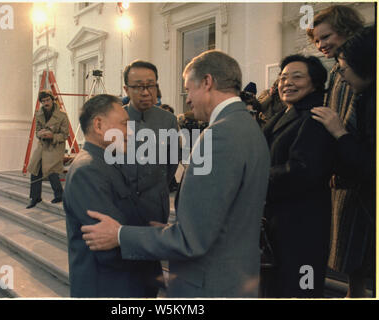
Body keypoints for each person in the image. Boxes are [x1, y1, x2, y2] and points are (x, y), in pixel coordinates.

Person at [81, 50, 271, 298]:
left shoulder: (218, 136)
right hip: (232, 277)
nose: (188, 99)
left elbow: (191, 240)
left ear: (207, 82)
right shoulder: (247, 126)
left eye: (188, 89)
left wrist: (119, 234)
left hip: (208, 285)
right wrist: (183, 225)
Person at [63, 94, 162, 297]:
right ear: (99, 125)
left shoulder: (106, 163)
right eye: (124, 124)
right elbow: (108, 247)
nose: (130, 132)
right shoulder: (88, 171)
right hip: (111, 289)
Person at [262, 55, 335, 298]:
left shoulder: (314, 117)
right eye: (283, 77)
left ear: (314, 82)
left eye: (297, 76)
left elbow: (302, 171)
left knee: (301, 289)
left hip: (303, 225)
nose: (287, 83)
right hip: (280, 223)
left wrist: (255, 179)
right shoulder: (286, 113)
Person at [306, 5, 366, 297]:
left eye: (325, 36)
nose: (320, 45)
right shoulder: (338, 68)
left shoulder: (359, 65)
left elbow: (353, 122)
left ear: (346, 27)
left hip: (357, 167)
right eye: (316, 40)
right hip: (345, 167)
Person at [122, 60, 179, 224]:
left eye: (151, 86)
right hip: (121, 206)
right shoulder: (116, 119)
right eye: (139, 86)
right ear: (126, 89)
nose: (146, 92)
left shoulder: (168, 120)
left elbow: (171, 162)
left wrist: (156, 187)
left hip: (155, 206)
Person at [26, 90, 69, 208]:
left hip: (55, 146)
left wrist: (52, 136)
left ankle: (59, 194)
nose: (46, 103)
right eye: (43, 101)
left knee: (51, 170)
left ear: (52, 99)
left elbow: (65, 135)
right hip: (42, 145)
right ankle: (35, 197)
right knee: (35, 168)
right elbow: (36, 131)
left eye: (47, 100)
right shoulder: (39, 114)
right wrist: (40, 134)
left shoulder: (62, 115)